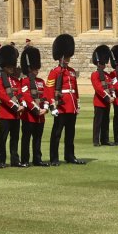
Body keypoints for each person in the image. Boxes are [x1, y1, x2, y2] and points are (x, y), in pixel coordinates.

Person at [45, 35, 83, 165]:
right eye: (66, 57)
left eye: (68, 57)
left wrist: (77, 104)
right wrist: (52, 106)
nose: (67, 60)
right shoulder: (55, 72)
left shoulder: (71, 71)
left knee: (70, 134)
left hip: (71, 106)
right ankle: (54, 158)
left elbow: (75, 89)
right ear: (60, 57)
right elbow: (49, 89)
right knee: (57, 134)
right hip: (61, 106)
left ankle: (70, 156)